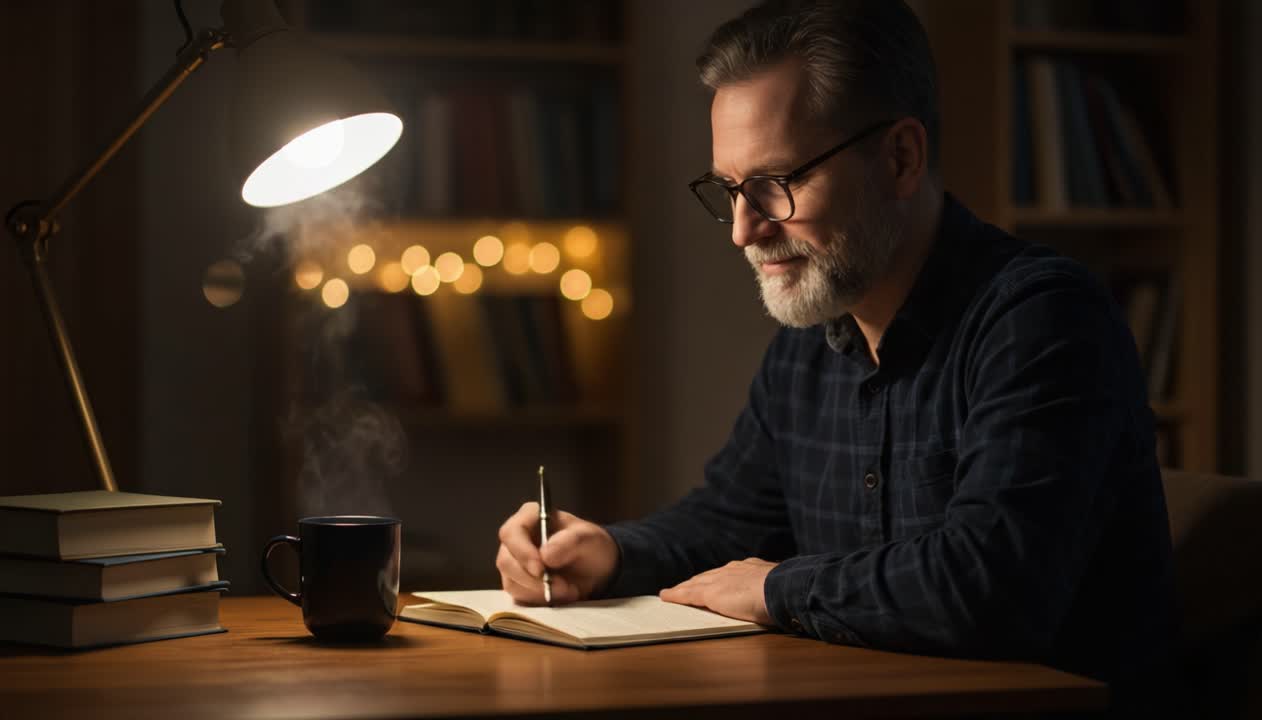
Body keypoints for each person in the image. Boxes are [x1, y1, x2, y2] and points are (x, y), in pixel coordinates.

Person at [497, 0, 1174, 710]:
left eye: (776, 185)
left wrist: (775, 587)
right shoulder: (808, 347)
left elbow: (991, 587)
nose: (742, 231)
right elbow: (729, 524)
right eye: (729, 190)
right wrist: (606, 553)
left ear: (900, 158)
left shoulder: (1042, 320)